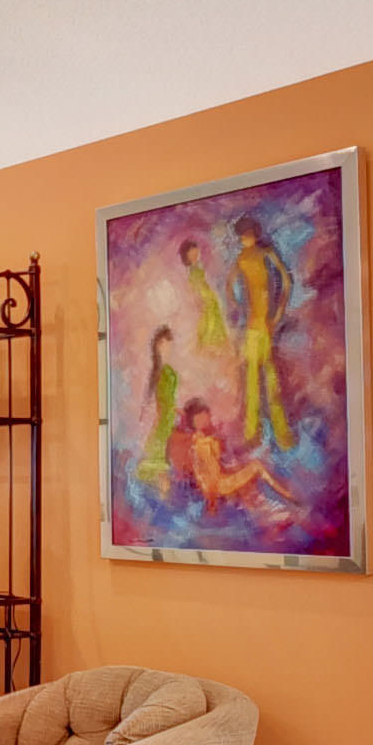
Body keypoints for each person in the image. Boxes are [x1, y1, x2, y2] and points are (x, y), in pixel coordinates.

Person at [224, 216, 296, 449]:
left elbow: (287, 281)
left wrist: (278, 314)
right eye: (242, 236)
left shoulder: (266, 254)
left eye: (247, 234)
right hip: (253, 327)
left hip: (264, 325)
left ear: (254, 234)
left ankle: (280, 434)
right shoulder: (242, 258)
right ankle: (254, 434)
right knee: (254, 383)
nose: (244, 239)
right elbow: (229, 286)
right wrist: (239, 307)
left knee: (269, 381)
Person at [173, 399, 304, 522]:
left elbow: (209, 470)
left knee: (241, 466)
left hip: (215, 485)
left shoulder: (198, 441)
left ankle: (260, 505)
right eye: (204, 415)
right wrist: (212, 505)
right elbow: (212, 479)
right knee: (256, 466)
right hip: (219, 486)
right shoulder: (205, 444)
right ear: (196, 420)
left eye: (207, 414)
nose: (208, 417)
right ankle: (286, 497)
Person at [132, 325, 179, 494]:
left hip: (169, 420)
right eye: (165, 344)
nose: (168, 348)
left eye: (170, 344)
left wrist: (176, 412)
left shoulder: (168, 371)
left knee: (163, 466)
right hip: (162, 423)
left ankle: (162, 495)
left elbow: (170, 400)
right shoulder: (159, 372)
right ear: (158, 346)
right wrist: (156, 423)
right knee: (160, 466)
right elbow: (156, 403)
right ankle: (161, 496)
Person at [179, 238, 229, 352]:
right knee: (207, 320)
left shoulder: (198, 266)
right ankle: (207, 344)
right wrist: (196, 298)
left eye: (196, 252)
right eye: (192, 253)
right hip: (203, 296)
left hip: (209, 296)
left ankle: (214, 343)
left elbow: (204, 281)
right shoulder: (190, 270)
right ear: (186, 256)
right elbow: (191, 286)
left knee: (213, 317)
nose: (195, 255)